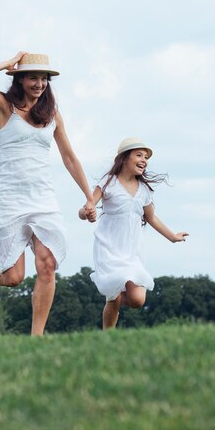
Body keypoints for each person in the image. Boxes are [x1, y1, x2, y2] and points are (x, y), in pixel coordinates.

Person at [0, 52, 96, 336]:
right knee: (13, 278)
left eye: (44, 79)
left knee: (47, 264)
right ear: (21, 79)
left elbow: (70, 157)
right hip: (8, 197)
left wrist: (89, 197)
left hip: (42, 198)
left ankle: (36, 338)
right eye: (33, 77)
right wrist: (6, 63)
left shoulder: (51, 114)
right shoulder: (4, 107)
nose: (39, 84)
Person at [79, 137, 188, 330]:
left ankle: (113, 298)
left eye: (146, 157)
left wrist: (173, 237)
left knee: (137, 300)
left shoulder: (144, 190)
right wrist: (87, 213)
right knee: (113, 295)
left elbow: (152, 218)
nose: (144, 160)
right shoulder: (108, 183)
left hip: (132, 252)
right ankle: (107, 336)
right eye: (139, 155)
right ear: (124, 158)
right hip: (109, 248)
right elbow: (86, 208)